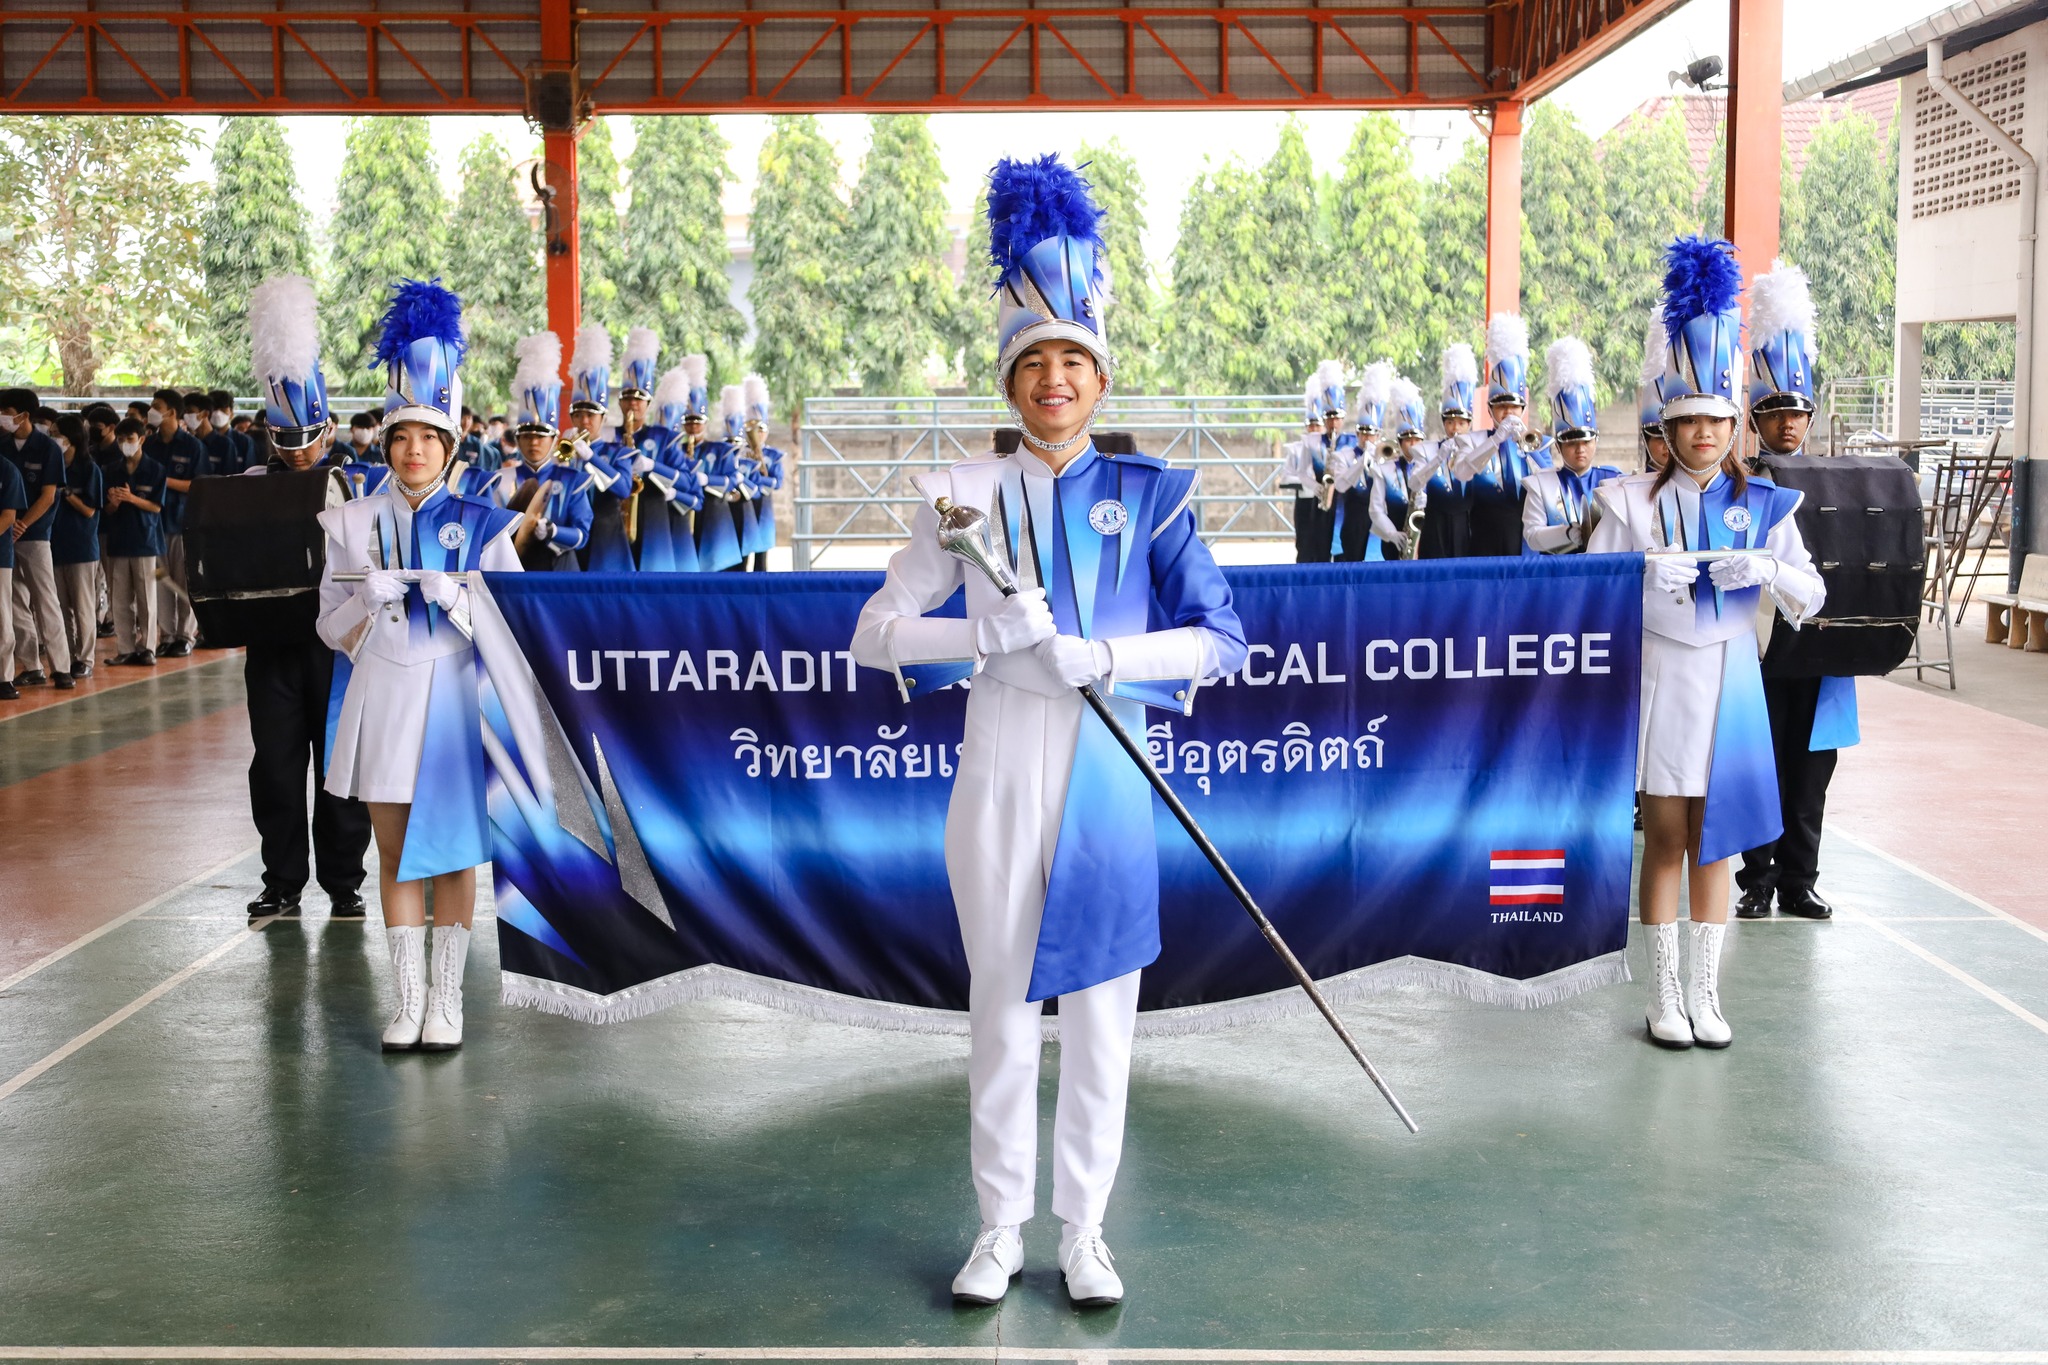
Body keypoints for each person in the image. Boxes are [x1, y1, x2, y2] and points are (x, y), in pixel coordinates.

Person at [852, 155, 1247, 1310]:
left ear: (1097, 375)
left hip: (1109, 765)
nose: (1055, 379)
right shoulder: (955, 495)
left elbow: (1222, 638)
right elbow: (875, 634)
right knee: (999, 1004)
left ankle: (1084, 1228)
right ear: (1012, 377)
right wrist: (976, 640)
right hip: (1000, 765)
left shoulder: (1158, 493)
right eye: (1036, 362)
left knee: (1103, 1015)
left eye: (1074, 360)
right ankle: (995, 1229)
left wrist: (1109, 657)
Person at [1588, 235, 1826, 1053]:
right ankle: (1661, 994)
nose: (1701, 435)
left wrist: (1766, 564)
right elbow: (1586, 595)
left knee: (1715, 843)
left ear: (1734, 424)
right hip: (1659, 684)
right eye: (1686, 420)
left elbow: (1813, 590)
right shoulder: (1628, 504)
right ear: (1666, 421)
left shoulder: (1767, 506)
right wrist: (1633, 581)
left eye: (1716, 421)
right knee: (1663, 837)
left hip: (1729, 686)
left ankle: (1706, 993)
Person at [316, 278, 521, 1052]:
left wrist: (462, 602)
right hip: (384, 695)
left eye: (427, 438)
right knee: (395, 848)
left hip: (453, 700)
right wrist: (366, 603)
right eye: (401, 435)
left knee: (454, 850)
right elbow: (328, 622)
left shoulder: (482, 525)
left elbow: (513, 625)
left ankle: (448, 1001)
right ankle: (405, 1003)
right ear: (387, 440)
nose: (411, 450)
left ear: (449, 446)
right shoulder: (353, 520)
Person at [242, 273, 374, 922]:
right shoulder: (248, 486)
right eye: (287, 442)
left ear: (329, 429)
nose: (300, 455)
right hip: (271, 648)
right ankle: (282, 881)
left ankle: (345, 882)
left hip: (340, 647)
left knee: (341, 767)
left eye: (309, 438)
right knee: (276, 765)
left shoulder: (354, 484)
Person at [1735, 262, 1847, 923]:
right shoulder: (1743, 484)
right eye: (1775, 411)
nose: (1787, 423)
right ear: (1756, 418)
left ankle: (1800, 880)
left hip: (1822, 651)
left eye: (1796, 411)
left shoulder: (1840, 486)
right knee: (1761, 763)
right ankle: (1758, 877)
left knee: (1812, 768)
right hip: (1760, 647)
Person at [1450, 315, 1552, 557]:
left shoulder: (1539, 442)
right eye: (1501, 406)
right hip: (1484, 537)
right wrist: (1496, 440)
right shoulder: (1472, 440)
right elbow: (1462, 472)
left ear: (1523, 410)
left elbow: (1549, 483)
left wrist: (1526, 448)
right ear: (1490, 410)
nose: (1508, 412)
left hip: (1526, 538)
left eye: (1514, 407)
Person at [2, 387, 77, 689]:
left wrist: (23, 524)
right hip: (5, 538)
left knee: (46, 599)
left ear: (23, 415)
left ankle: (62, 667)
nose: (2, 419)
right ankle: (31, 664)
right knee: (15, 602)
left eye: (5, 413)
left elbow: (48, 495)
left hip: (34, 535)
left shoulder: (47, 448)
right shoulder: (3, 446)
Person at [504, 331, 594, 573]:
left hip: (561, 573)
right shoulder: (501, 480)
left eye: (541, 437)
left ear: (554, 439)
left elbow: (582, 535)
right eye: (527, 436)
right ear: (518, 440)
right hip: (513, 575)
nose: (533, 443)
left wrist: (554, 531)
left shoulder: (573, 480)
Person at [1521, 338, 1620, 556]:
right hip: (1557, 578)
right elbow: (1532, 535)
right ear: (1558, 446)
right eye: (1572, 443)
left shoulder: (1613, 479)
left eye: (1586, 442)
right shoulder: (1540, 484)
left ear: (1596, 441)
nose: (1580, 449)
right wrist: (1567, 534)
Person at [142, 387, 207, 658]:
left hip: (182, 523)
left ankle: (185, 635)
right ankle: (167, 635)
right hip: (154, 524)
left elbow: (198, 484)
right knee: (161, 582)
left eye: (157, 406)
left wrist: (163, 482)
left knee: (184, 582)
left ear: (171, 412)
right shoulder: (150, 445)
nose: (152, 411)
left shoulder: (192, 446)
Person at [607, 327, 678, 570]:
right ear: (619, 402)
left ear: (648, 404)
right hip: (614, 519)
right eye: (627, 398)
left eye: (639, 399)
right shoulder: (609, 435)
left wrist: (652, 466)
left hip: (654, 517)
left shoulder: (663, 436)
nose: (632, 404)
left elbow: (686, 479)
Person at [567, 326, 634, 572]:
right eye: (579, 415)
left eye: (591, 415)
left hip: (607, 542)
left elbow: (624, 488)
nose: (585, 421)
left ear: (603, 418)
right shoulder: (565, 448)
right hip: (572, 541)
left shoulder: (619, 451)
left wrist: (591, 457)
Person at [104, 417, 166, 667]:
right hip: (119, 540)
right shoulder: (111, 470)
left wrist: (130, 498)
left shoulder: (156, 469)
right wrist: (114, 503)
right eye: (120, 440)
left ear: (141, 439)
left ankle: (148, 647)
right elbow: (106, 509)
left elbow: (155, 506)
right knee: (119, 599)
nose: (124, 444)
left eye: (129, 439)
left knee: (146, 598)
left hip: (144, 539)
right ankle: (125, 647)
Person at [51, 414, 104, 677]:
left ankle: (85, 658)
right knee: (61, 606)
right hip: (55, 545)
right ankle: (68, 655)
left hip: (81, 547)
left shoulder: (89, 469)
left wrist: (68, 494)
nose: (53, 439)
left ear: (71, 438)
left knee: (83, 605)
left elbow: (89, 512)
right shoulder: (53, 466)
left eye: (56, 434)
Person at [1277, 363, 1342, 564]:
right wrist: (1313, 485)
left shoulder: (1335, 445)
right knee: (1306, 547)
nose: (1314, 428)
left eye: (1317, 424)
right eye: (1311, 424)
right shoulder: (1299, 447)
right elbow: (1287, 475)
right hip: (1306, 501)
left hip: (1331, 500)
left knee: (1329, 544)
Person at [646, 362, 706, 573]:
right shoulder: (648, 449)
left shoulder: (687, 460)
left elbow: (698, 501)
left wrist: (676, 495)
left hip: (679, 528)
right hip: (653, 528)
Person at [1332, 362, 1391, 561]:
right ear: (1357, 433)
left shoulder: (1385, 455)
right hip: (1354, 515)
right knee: (1351, 559)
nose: (1367, 438)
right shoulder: (1344, 455)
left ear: (1379, 434)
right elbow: (1340, 485)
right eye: (1363, 433)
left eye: (1372, 434)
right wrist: (1361, 460)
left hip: (1379, 516)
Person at [1366, 377, 1428, 559]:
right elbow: (1375, 508)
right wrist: (1391, 533)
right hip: (1394, 540)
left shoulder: (1431, 467)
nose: (1413, 444)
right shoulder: (1383, 470)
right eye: (1408, 440)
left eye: (1417, 440)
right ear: (1400, 443)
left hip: (1426, 539)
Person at [697, 385, 750, 572]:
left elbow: (734, 480)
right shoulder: (687, 449)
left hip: (723, 511)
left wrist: (708, 481)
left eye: (698, 422)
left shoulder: (721, 452)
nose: (694, 426)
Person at [739, 374, 785, 571]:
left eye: (761, 429)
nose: (757, 434)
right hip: (743, 506)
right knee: (742, 556)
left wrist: (760, 473)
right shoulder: (739, 454)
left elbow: (778, 481)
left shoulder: (774, 455)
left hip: (763, 508)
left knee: (761, 560)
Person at [1637, 314, 1677, 474]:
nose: (1667, 444)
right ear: (1646, 439)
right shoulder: (1625, 490)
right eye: (1659, 435)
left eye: (1673, 434)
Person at [0, 443, 23, 700]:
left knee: (2, 617)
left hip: (0, 556)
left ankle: (4, 677)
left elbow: (8, 516)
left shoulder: (7, 471)